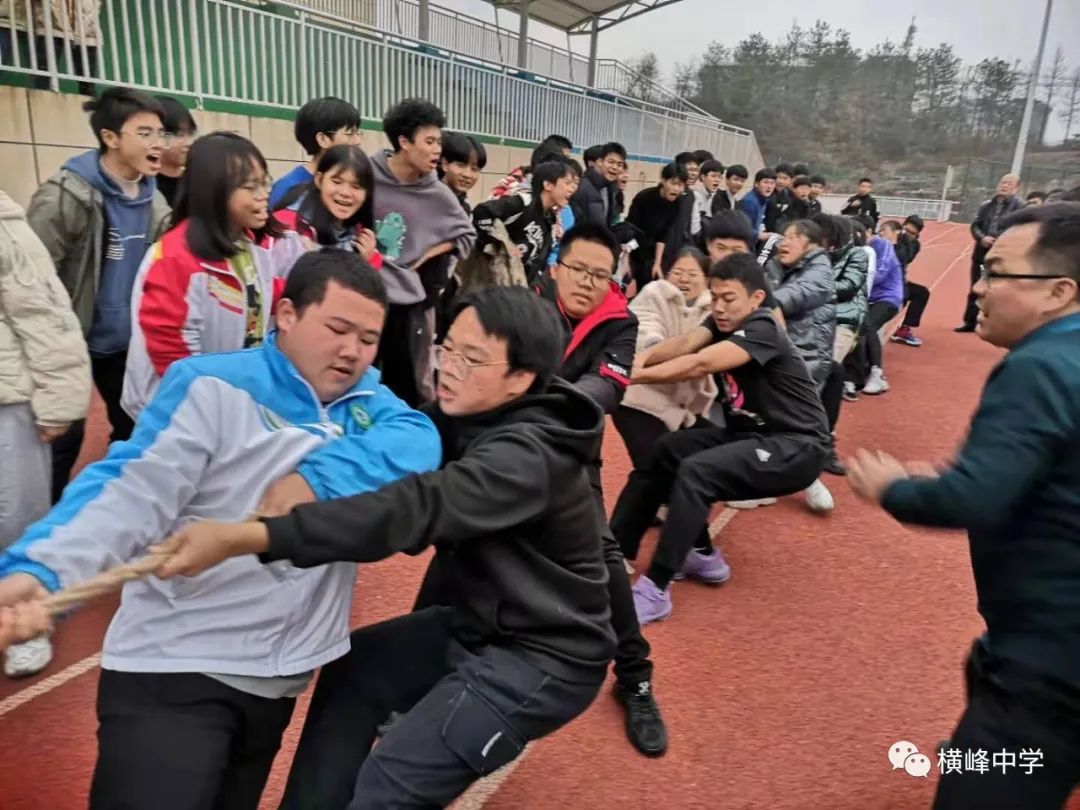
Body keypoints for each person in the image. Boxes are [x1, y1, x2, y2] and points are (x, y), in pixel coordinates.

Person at [0, 250, 441, 808]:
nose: (352, 351)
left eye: (368, 339)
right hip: (177, 668)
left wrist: (316, 479)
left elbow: (420, 442)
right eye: (337, 329)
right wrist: (41, 571)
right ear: (286, 314)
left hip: (277, 682)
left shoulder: (370, 405)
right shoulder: (212, 386)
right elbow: (130, 489)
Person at [151, 285, 616, 809]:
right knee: (357, 670)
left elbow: (416, 508)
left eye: (472, 359)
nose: (449, 368)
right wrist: (313, 474)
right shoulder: (465, 415)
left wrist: (254, 537)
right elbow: (393, 438)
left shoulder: (531, 458)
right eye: (448, 348)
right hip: (477, 626)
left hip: (542, 659)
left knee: (389, 786)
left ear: (521, 378)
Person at [846, 203, 1080, 810]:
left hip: (1050, 657)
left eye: (997, 273)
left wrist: (893, 487)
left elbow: (972, 497)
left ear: (1059, 292)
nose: (977, 286)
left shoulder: (1039, 366)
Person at [611, 253, 828, 623]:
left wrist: (629, 378)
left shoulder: (763, 327)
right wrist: (636, 361)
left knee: (697, 472)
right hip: (750, 436)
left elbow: (700, 363)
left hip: (798, 446)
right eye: (715, 297)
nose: (720, 307)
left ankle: (656, 590)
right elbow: (684, 345)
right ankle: (627, 552)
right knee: (667, 450)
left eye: (729, 298)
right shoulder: (721, 321)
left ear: (756, 299)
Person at [531, 223, 667, 756]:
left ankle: (634, 677)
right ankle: (420, 679)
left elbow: (604, 389)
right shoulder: (525, 301)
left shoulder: (621, 324)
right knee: (461, 544)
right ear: (556, 267)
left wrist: (535, 403)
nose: (587, 282)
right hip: (506, 447)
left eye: (600, 274)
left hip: (571, 455)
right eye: (578, 269)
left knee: (605, 561)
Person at [25, 87, 171, 503]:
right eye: (144, 133)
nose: (158, 144)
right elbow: (33, 278)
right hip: (69, 338)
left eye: (160, 133)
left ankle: (117, 510)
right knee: (64, 438)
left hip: (124, 342)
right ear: (110, 138)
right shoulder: (65, 196)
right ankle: (43, 522)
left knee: (135, 428)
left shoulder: (155, 199)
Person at [121, 132, 306, 419]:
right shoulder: (174, 258)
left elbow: (257, 294)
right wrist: (211, 407)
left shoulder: (244, 244)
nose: (264, 194)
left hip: (226, 400)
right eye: (250, 186)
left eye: (265, 181)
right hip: (180, 410)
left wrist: (306, 295)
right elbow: (172, 353)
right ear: (214, 191)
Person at [0, 190, 92, 678]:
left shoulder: (6, 226)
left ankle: (28, 626)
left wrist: (59, 402)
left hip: (7, 399)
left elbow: (44, 313)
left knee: (15, 517)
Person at [370, 98, 476, 407]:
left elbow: (467, 236)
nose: (437, 151)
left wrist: (427, 255)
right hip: (365, 293)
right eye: (429, 142)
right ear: (404, 142)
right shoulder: (366, 173)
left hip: (408, 305)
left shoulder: (437, 193)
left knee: (407, 389)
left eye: (438, 142)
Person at [612, 246, 717, 470]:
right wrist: (656, 351)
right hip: (640, 401)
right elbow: (644, 331)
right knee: (652, 466)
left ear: (707, 279)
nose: (684, 279)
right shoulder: (653, 294)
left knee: (708, 461)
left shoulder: (715, 308)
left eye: (692, 274)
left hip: (685, 410)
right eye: (677, 272)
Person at [471, 159, 577, 285]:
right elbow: (481, 211)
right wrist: (500, 246)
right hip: (490, 281)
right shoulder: (523, 203)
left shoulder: (550, 220)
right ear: (548, 185)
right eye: (567, 183)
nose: (572, 189)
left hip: (517, 286)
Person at [273, 143, 381, 265]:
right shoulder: (287, 229)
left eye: (356, 186)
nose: (346, 193)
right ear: (319, 180)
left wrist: (368, 262)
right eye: (337, 182)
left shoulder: (361, 234)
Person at [268, 96, 362, 209]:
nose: (358, 141)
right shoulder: (287, 192)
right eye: (350, 134)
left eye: (358, 133)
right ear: (323, 139)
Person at [958, 173, 1023, 332]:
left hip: (1003, 254)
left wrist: (998, 239)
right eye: (1003, 182)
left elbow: (1019, 229)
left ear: (1016, 188)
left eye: (1009, 183)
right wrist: (982, 238)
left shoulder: (1020, 207)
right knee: (975, 288)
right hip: (981, 252)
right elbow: (975, 225)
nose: (1004, 185)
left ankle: (994, 323)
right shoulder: (986, 205)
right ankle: (970, 322)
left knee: (999, 290)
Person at [856, 221, 906, 395]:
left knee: (867, 325)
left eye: (858, 233)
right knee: (855, 327)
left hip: (888, 297)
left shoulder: (882, 245)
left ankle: (877, 374)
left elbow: (881, 273)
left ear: (869, 232)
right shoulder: (855, 248)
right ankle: (858, 372)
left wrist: (854, 277)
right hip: (867, 298)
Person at [625, 162, 689, 293]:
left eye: (680, 185)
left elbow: (662, 235)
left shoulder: (677, 204)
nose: (676, 189)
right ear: (663, 181)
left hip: (650, 251)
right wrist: (627, 260)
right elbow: (630, 229)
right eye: (673, 183)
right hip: (632, 245)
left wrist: (657, 263)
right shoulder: (644, 197)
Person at [891, 215, 931, 347]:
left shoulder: (914, 245)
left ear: (917, 235)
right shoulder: (891, 236)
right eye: (906, 230)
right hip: (883, 282)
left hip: (898, 282)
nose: (907, 234)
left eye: (912, 233)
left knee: (922, 293)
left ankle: (904, 329)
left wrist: (903, 241)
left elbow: (905, 258)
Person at [153, 95, 197, 208]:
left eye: (190, 133)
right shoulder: (145, 186)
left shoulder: (197, 180)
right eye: (179, 134)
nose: (189, 142)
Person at [570, 142, 625, 227]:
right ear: (600, 161)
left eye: (619, 164)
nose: (615, 167)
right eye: (611, 162)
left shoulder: (611, 189)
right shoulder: (581, 187)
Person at [437, 131, 486, 214]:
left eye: (474, 169)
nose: (467, 175)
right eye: (461, 165)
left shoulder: (464, 206)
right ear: (445, 164)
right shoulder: (429, 199)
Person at [737, 168, 777, 233]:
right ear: (756, 184)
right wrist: (760, 235)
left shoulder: (763, 199)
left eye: (772, 183)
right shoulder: (749, 202)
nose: (769, 186)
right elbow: (743, 229)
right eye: (766, 182)